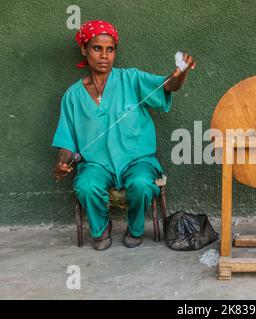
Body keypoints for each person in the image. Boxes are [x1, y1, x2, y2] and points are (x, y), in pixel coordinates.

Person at [52, 20, 196, 251]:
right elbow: (66, 140)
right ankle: (101, 230)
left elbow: (169, 86)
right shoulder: (72, 96)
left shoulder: (131, 79)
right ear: (84, 50)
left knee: (141, 183)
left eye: (110, 50)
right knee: (87, 185)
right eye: (97, 48)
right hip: (96, 164)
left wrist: (180, 73)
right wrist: (62, 162)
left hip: (137, 160)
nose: (104, 56)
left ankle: (135, 228)